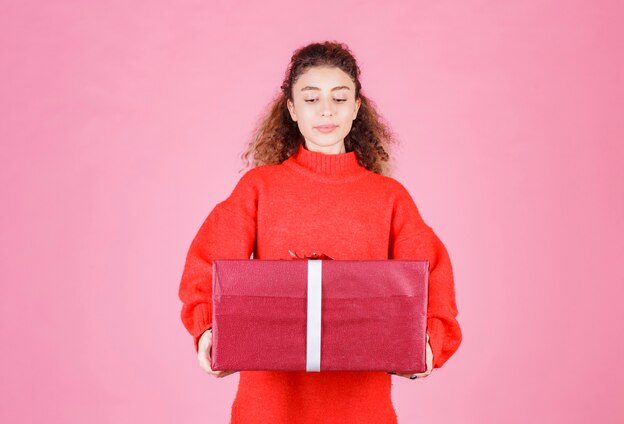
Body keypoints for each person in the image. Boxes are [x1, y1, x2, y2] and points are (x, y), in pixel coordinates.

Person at [178, 40, 462, 423]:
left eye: (340, 98)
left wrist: (429, 342)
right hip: (268, 408)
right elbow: (205, 261)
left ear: (357, 107)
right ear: (292, 109)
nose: (326, 110)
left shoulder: (389, 197)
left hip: (362, 409)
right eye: (311, 99)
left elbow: (434, 272)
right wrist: (209, 331)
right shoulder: (258, 188)